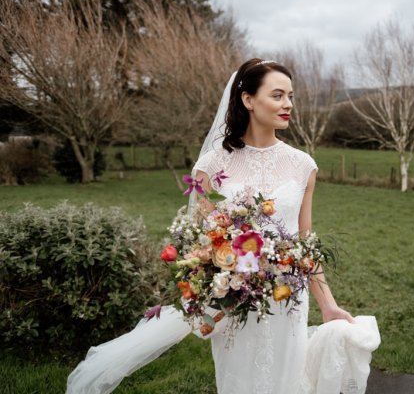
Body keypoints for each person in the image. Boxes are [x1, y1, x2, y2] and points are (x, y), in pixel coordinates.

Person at [67, 58, 379, 394]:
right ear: (248, 100)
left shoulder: (303, 165)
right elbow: (201, 242)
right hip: (235, 301)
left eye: (291, 96)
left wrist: (328, 304)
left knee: (286, 380)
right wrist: (209, 294)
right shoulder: (212, 164)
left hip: (286, 298)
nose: (288, 104)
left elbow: (305, 241)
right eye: (277, 95)